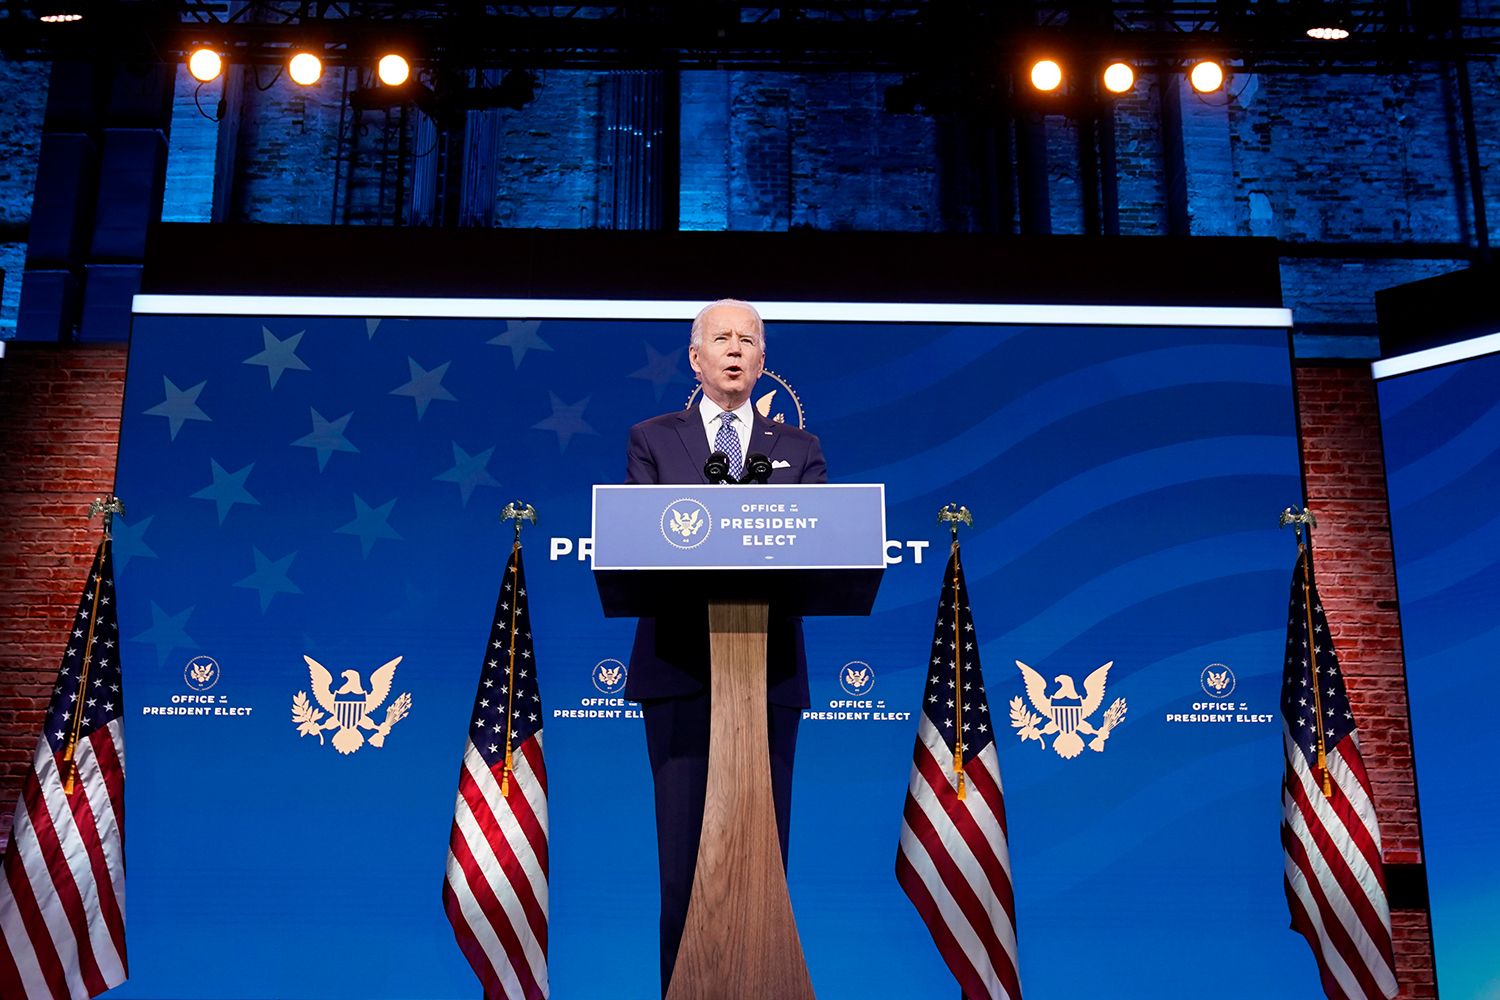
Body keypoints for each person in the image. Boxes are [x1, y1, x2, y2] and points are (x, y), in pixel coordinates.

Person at [622, 299, 827, 995]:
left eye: (747, 340)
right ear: (696, 358)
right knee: (685, 867)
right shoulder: (653, 440)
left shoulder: (800, 449)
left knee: (762, 859)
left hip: (768, 674)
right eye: (721, 338)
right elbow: (642, 542)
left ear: (763, 361)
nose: (735, 349)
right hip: (679, 669)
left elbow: (820, 549)